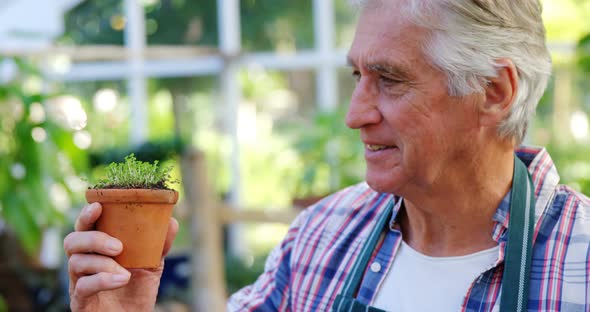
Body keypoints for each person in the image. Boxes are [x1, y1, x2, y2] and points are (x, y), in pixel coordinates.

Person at [64, 0, 590, 311]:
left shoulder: (581, 264)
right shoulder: (320, 235)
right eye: (357, 76)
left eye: (390, 80)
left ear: (494, 92)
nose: (354, 113)